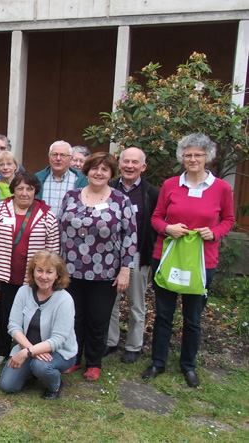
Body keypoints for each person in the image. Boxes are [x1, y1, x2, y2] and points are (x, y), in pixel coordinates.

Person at [142, 133, 234, 388]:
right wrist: (167, 229)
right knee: (163, 314)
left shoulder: (221, 188)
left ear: (208, 158)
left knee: (192, 318)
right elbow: (156, 217)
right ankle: (158, 362)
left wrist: (214, 232)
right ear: (181, 157)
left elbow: (228, 220)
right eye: (188, 155)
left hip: (202, 261)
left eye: (198, 155)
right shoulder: (171, 185)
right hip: (168, 257)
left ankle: (188, 366)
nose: (192, 159)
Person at [59, 152, 137, 382]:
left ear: (111, 173)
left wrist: (125, 269)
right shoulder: (71, 197)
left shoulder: (121, 201)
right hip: (70, 269)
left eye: (104, 169)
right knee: (73, 317)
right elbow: (59, 229)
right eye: (94, 168)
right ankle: (73, 358)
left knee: (98, 318)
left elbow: (130, 237)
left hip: (105, 272)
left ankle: (94, 363)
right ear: (87, 171)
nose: (98, 173)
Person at [0, 171, 60, 365]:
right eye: (20, 188)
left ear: (35, 191)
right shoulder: (0, 209)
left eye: (29, 189)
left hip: (34, 276)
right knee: (6, 313)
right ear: (13, 190)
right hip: (6, 273)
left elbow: (53, 248)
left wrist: (49, 275)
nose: (24, 193)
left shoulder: (46, 214)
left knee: (30, 315)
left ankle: (28, 350)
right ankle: (1, 349)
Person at [0, 251, 77, 399]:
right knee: (7, 386)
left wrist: (26, 353)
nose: (43, 276)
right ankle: (32, 371)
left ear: (57, 275)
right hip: (29, 347)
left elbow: (58, 340)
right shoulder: (23, 292)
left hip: (59, 352)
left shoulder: (65, 300)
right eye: (39, 270)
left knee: (40, 366)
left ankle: (55, 386)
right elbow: (14, 326)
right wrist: (30, 350)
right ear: (33, 272)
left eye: (49, 272)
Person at [105, 147, 159, 363]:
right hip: (110, 255)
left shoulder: (150, 193)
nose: (129, 166)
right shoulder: (108, 188)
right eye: (126, 161)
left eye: (135, 162)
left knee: (136, 303)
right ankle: (110, 341)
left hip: (137, 255)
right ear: (119, 165)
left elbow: (155, 225)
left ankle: (134, 346)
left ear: (143, 167)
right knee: (111, 301)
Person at [34, 140, 88, 217]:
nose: (58, 158)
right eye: (55, 154)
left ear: (70, 158)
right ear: (49, 157)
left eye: (63, 155)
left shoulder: (81, 180)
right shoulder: (37, 179)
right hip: (42, 227)